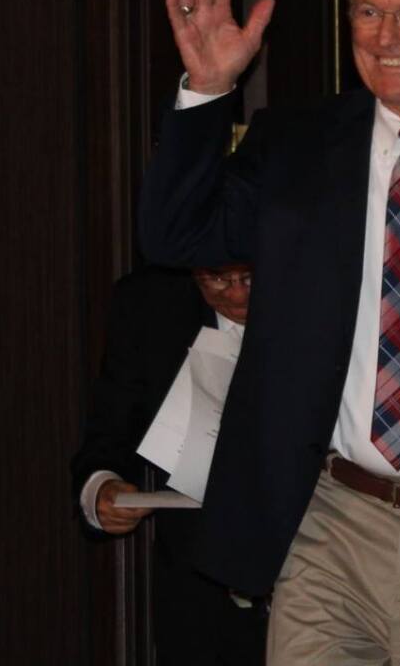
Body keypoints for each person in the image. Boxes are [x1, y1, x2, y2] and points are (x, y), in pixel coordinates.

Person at [138, 0, 400, 665]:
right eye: (367, 12)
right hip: (331, 520)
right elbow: (175, 237)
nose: (386, 36)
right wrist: (209, 91)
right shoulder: (297, 143)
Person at [71, 262, 267, 665]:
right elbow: (107, 435)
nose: (236, 294)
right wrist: (102, 490)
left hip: (324, 572)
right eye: (216, 278)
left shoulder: (323, 284)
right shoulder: (152, 305)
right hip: (201, 596)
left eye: (250, 277)